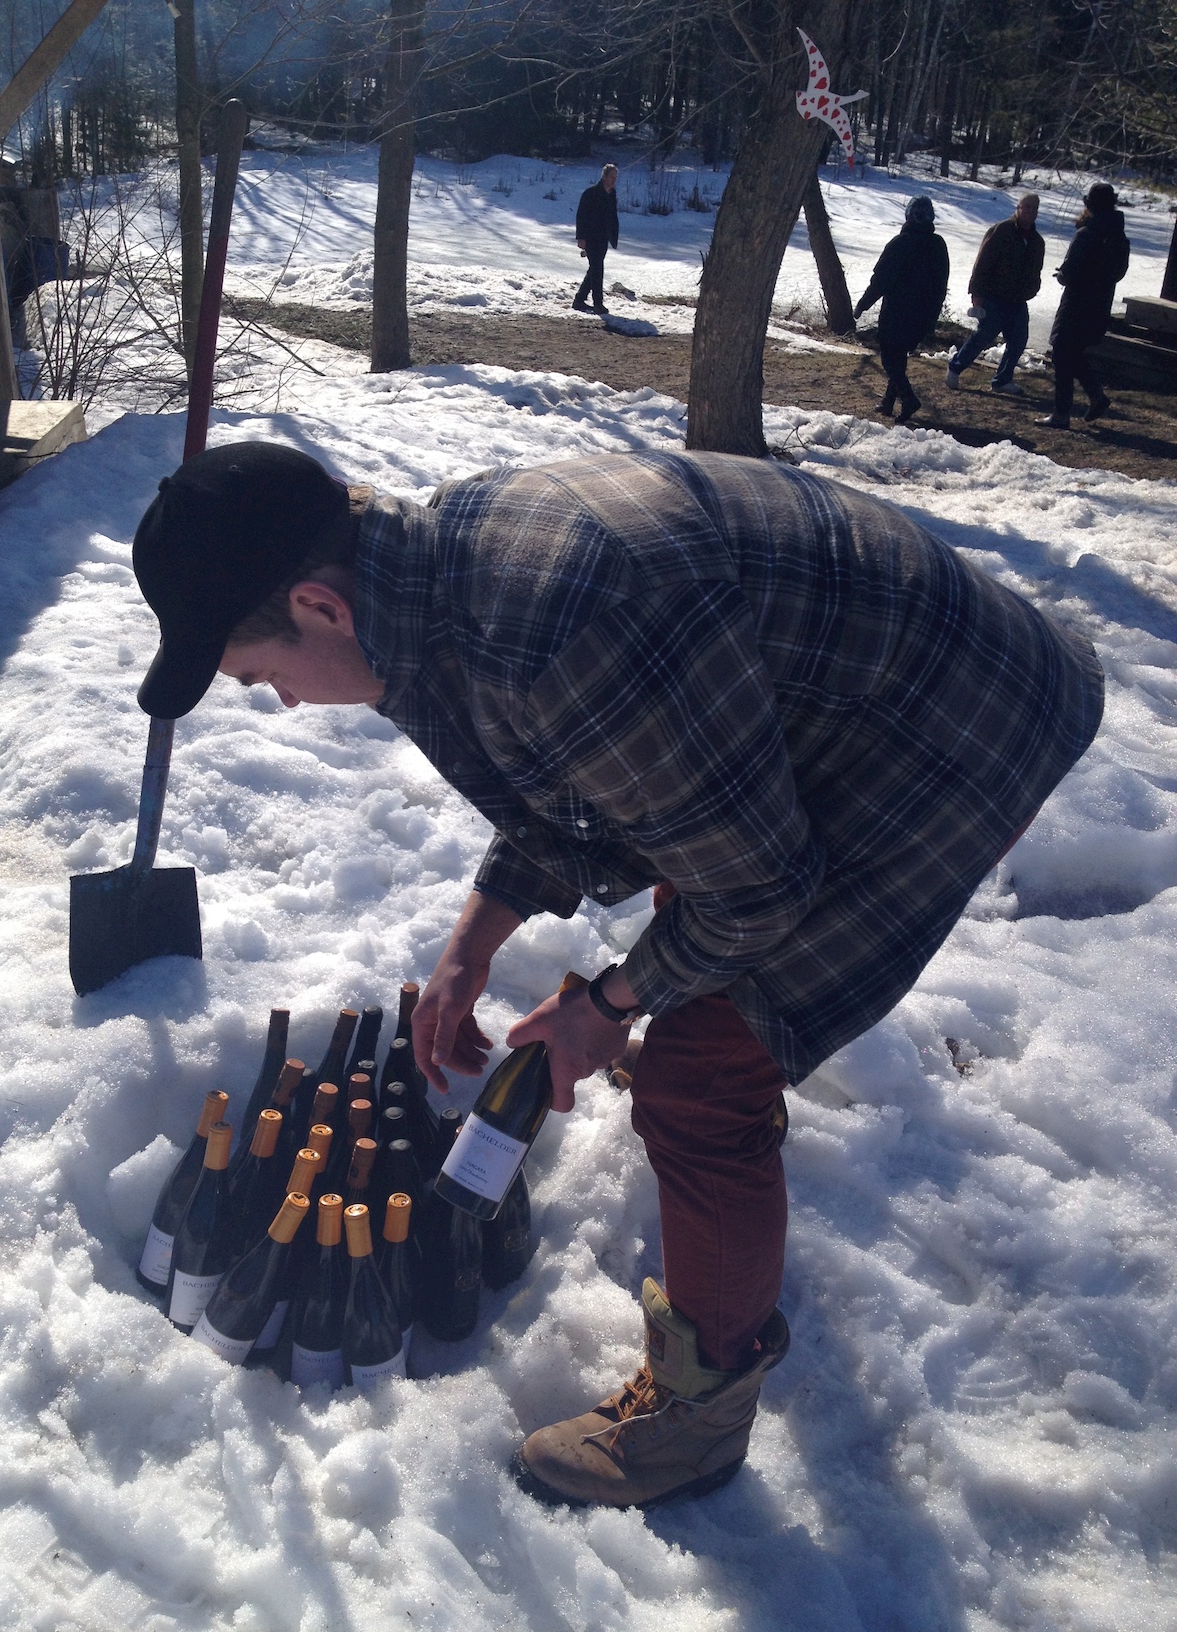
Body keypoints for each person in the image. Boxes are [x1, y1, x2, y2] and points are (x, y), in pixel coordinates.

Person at [132, 439, 1103, 1510]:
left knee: (702, 1073)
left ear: (317, 606)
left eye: (259, 678)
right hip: (827, 698)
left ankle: (697, 1415)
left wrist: (610, 1007)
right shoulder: (412, 584)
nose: (283, 705)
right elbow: (580, 779)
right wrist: (478, 934)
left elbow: (759, 890)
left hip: (951, 723)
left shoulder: (550, 619)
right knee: (704, 896)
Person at [1036, 183, 1130, 430]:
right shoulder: (1120, 238)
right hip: (1099, 305)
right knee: (1074, 353)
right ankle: (1097, 397)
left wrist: (1063, 276)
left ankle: (1061, 413)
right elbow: (1119, 272)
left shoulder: (1086, 234)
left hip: (1076, 303)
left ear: (1089, 206)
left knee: (1061, 352)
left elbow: (1069, 272)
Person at [853, 195, 950, 423]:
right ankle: (888, 402)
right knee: (899, 357)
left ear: (908, 216)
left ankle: (909, 399)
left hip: (897, 311)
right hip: (923, 313)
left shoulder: (900, 243)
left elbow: (880, 281)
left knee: (889, 358)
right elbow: (940, 286)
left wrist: (862, 305)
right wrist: (932, 319)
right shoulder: (938, 245)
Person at [945, 194, 1044, 397]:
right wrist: (976, 292)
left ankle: (1002, 380)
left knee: (1018, 340)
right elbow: (983, 261)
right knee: (984, 335)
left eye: (1034, 208)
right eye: (1027, 207)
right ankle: (955, 367)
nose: (1030, 212)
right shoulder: (1002, 231)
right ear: (1018, 208)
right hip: (994, 295)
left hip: (1018, 300)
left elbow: (1036, 270)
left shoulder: (1036, 241)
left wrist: (1033, 288)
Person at [573, 164, 619, 315]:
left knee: (594, 268)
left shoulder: (612, 195)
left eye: (615, 178)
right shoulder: (591, 193)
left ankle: (579, 299)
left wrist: (613, 235)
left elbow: (612, 217)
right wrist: (581, 237)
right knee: (597, 268)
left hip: (603, 237)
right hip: (591, 237)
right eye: (611, 177)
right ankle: (598, 303)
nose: (613, 181)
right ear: (604, 176)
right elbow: (581, 216)